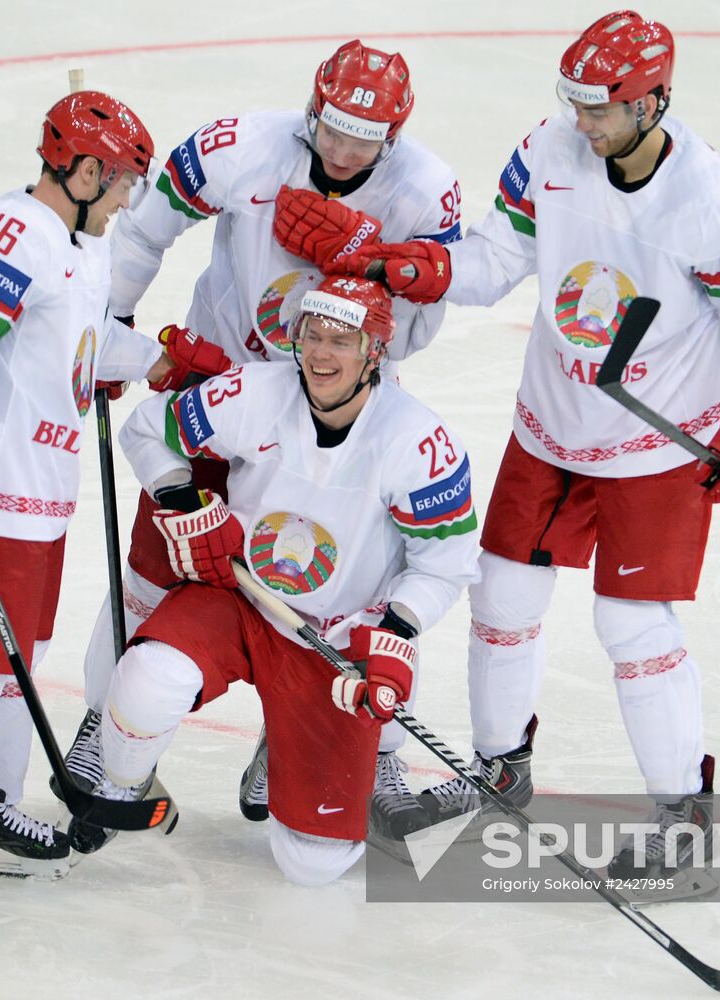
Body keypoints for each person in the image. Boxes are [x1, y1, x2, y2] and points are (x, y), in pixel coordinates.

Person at [329, 11, 720, 891]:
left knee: (631, 626)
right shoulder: (550, 151)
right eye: (575, 104)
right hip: (551, 423)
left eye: (603, 110)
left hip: (656, 442)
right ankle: (499, 772)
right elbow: (498, 257)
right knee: (501, 595)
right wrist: (415, 268)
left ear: (655, 101)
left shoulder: (712, 200)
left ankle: (681, 817)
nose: (583, 124)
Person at [64, 39, 464, 855]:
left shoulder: (426, 192)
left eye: (366, 139)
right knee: (149, 575)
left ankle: (292, 734)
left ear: (395, 137)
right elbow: (142, 229)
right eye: (332, 129)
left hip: (329, 404)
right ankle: (102, 732)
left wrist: (363, 260)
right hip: (223, 392)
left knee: (337, 582)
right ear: (311, 108)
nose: (344, 151)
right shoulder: (237, 146)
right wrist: (116, 327)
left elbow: (417, 328)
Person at [0, 90, 229, 923]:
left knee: (11, 663)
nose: (133, 200)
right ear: (87, 170)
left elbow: (86, 342)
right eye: (127, 181)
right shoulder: (13, 233)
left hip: (39, 498)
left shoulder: (82, 242)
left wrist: (163, 361)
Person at [92, 274, 479, 886]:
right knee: (147, 681)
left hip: (332, 638)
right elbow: (145, 427)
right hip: (238, 599)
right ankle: (117, 785)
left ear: (375, 354)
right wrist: (183, 499)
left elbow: (446, 562)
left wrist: (395, 634)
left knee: (313, 867)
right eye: (312, 335)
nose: (321, 354)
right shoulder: (255, 392)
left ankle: (292, 747)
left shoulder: (417, 443)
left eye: (342, 341)